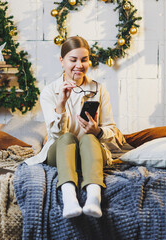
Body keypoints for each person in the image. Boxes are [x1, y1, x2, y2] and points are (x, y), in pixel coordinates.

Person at [25, 36, 117, 219]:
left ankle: (93, 198)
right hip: (60, 152)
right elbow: (55, 134)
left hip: (90, 151)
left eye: (84, 60)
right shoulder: (50, 91)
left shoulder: (99, 90)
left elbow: (112, 131)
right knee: (66, 138)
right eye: (73, 60)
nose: (79, 65)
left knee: (89, 138)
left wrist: (97, 131)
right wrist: (61, 104)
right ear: (62, 61)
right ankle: (69, 198)